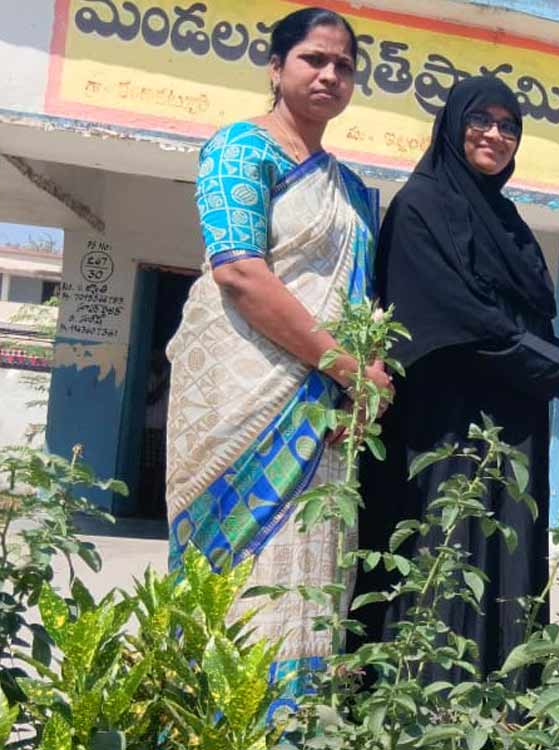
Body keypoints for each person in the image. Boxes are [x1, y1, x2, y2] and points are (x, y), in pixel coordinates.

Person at [164, 6, 387, 703]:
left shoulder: (352, 190)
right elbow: (239, 271)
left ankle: (300, 723)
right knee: (237, 573)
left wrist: (364, 386)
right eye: (313, 59)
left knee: (313, 569)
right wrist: (343, 366)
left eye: (343, 65)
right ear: (276, 67)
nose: (329, 74)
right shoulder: (239, 149)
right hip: (241, 395)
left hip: (322, 416)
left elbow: (362, 301)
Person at [360, 75, 559, 687]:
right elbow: (461, 316)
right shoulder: (420, 205)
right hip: (443, 428)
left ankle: (501, 708)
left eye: (508, 125)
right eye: (482, 120)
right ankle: (426, 703)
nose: (495, 134)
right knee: (445, 551)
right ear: (452, 124)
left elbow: (530, 319)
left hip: (512, 422)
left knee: (507, 558)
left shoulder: (506, 218)